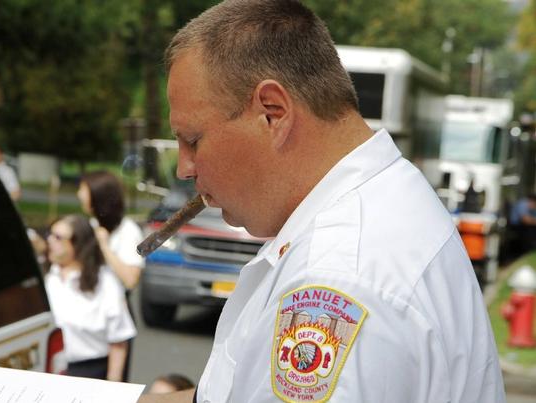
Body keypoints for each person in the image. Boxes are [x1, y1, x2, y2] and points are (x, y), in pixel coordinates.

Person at [140, 1, 505, 402]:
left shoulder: (336, 276)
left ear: (272, 113)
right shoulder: (383, 200)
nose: (185, 169)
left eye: (193, 140)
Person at [44, 214, 135, 381]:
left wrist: (112, 386)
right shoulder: (49, 278)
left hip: (89, 372)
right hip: (50, 370)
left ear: (77, 244)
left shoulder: (105, 283)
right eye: (50, 234)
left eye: (58, 237)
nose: (50, 240)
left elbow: (119, 341)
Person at [77, 170, 145, 381]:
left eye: (83, 189)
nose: (79, 194)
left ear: (97, 195)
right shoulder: (92, 225)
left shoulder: (127, 231)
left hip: (116, 313)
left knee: (111, 380)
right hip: (89, 309)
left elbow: (131, 278)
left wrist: (105, 246)